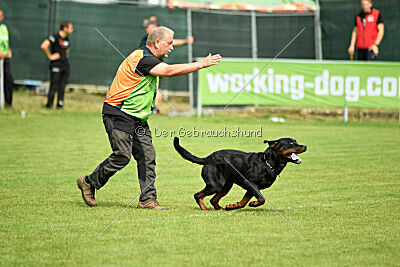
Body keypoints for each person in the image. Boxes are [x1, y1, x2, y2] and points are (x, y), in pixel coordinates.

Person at [77, 26, 221, 209]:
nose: (171, 47)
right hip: (118, 113)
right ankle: (89, 182)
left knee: (147, 155)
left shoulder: (149, 59)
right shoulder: (143, 58)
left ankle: (147, 199)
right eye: (169, 43)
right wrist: (201, 64)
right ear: (157, 42)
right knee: (122, 156)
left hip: (137, 118)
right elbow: (169, 71)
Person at [140, 16, 194, 114]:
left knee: (156, 87)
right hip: (149, 68)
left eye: (148, 26)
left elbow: (171, 42)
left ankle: (155, 109)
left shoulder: (160, 38)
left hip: (156, 67)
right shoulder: (146, 39)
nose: (146, 28)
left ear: (154, 26)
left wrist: (185, 41)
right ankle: (153, 108)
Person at [40, 21, 74, 109]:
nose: (72, 30)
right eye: (70, 28)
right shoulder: (54, 37)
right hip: (56, 65)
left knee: (62, 87)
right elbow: (44, 46)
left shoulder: (67, 39)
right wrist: (50, 56)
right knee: (54, 85)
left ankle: (60, 105)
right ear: (65, 28)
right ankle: (49, 105)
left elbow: (67, 50)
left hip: (65, 65)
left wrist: (65, 57)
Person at [0, 9, 14, 107]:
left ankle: (8, 104)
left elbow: (4, 42)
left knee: (8, 79)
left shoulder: (3, 28)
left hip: (5, 59)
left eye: (1, 15)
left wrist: (8, 50)